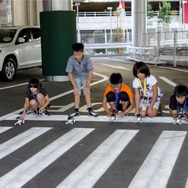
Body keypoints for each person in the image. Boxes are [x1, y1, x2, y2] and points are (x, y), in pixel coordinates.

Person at [65, 42, 98, 117]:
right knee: (77, 92)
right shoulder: (71, 59)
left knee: (87, 92)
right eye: (75, 55)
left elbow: (90, 71)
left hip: (85, 76)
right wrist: (75, 86)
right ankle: (76, 111)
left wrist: (88, 84)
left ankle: (90, 110)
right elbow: (69, 73)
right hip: (75, 76)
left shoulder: (86, 58)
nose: (77, 56)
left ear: (82, 52)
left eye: (79, 54)